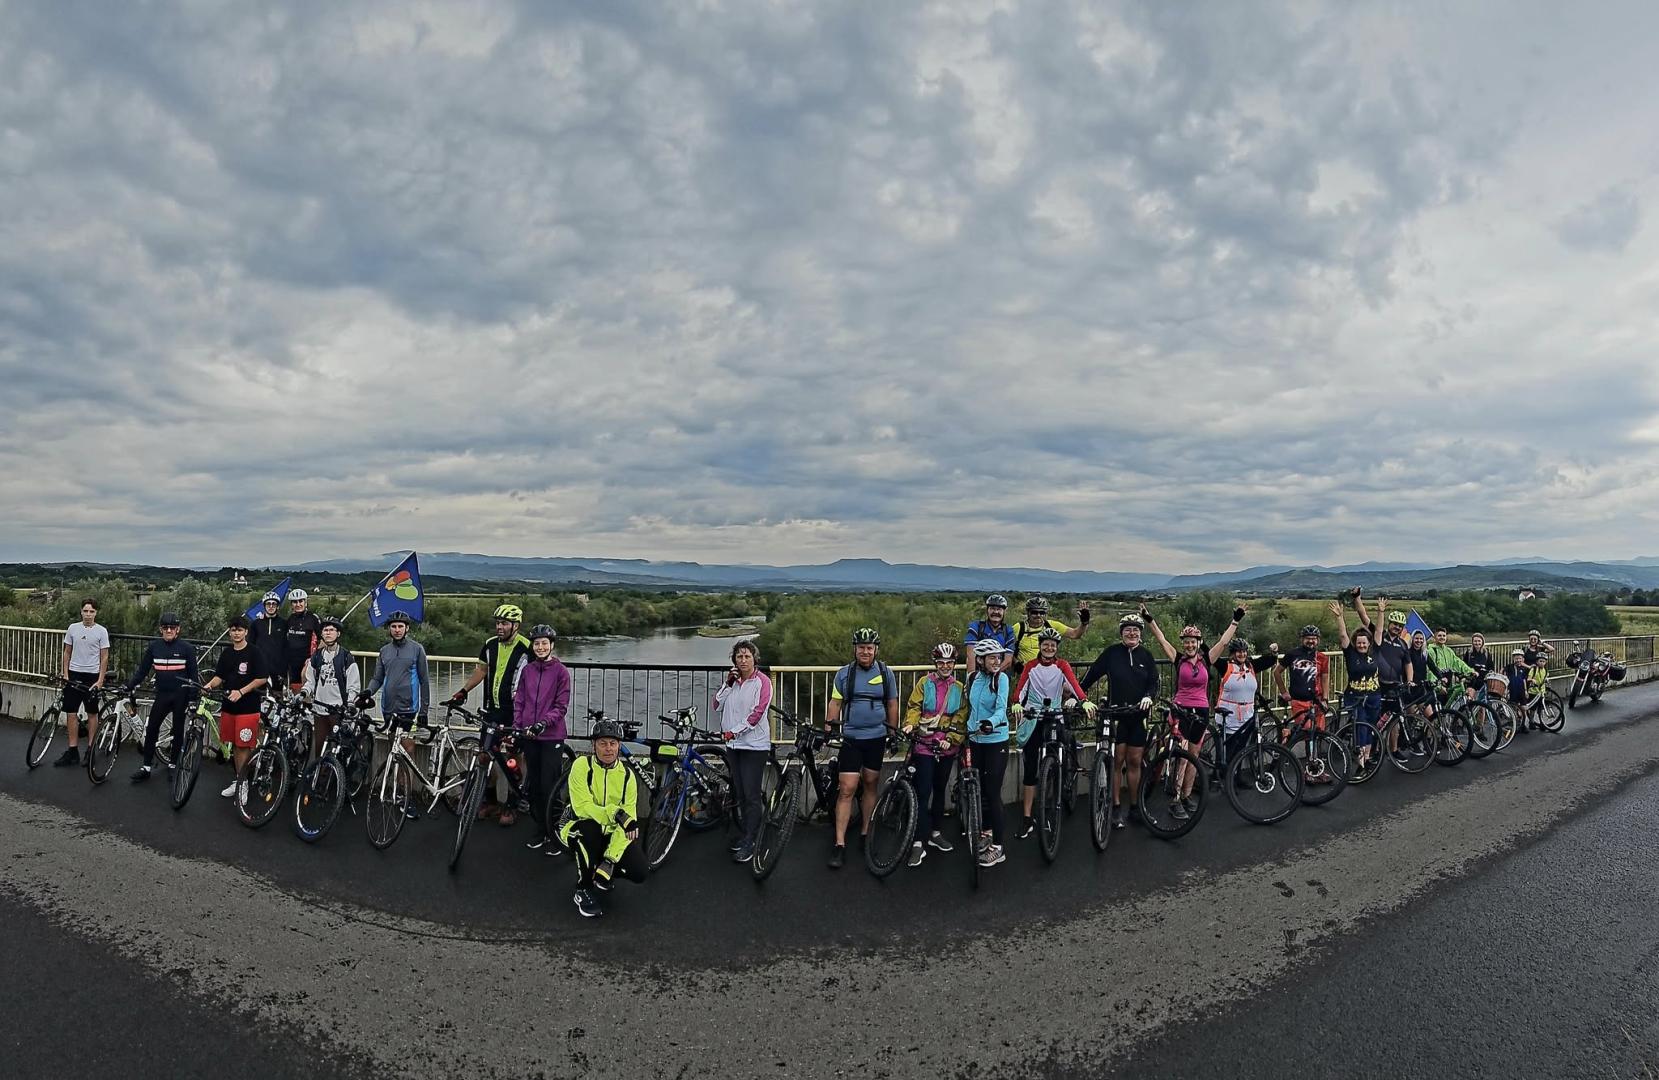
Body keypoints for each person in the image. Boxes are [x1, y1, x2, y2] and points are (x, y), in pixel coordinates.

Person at [1143, 604, 1245, 816]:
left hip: (1200, 711)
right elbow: (1162, 640)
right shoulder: (1178, 659)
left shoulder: (1207, 660)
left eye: (1193, 642)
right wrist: (1149, 620)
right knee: (1181, 754)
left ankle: (1187, 795)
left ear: (1199, 644)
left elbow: (1224, 642)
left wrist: (1235, 620)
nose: (1189, 645)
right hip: (1181, 709)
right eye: (1186, 642)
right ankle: (1175, 799)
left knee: (1194, 756)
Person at [824, 628, 899, 869]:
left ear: (876, 649)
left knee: (869, 783)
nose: (865, 651)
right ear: (854, 649)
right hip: (852, 737)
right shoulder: (844, 674)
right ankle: (839, 844)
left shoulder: (886, 673)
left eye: (869, 648)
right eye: (861, 647)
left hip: (876, 737)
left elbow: (892, 703)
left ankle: (866, 833)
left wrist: (893, 733)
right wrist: (829, 729)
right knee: (846, 788)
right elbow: (835, 702)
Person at [447, 603, 531, 819]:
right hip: (492, 711)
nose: (499, 627)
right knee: (485, 756)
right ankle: (491, 800)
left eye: (504, 623)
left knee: (514, 758)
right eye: (497, 623)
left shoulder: (527, 648)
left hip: (515, 714)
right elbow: (481, 670)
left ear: (516, 625)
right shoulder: (489, 645)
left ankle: (512, 804)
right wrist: (463, 691)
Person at [1011, 627, 1095, 838]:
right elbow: (1020, 689)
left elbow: (1074, 685)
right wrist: (1016, 704)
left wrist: (1083, 701)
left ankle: (1066, 780)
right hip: (1034, 718)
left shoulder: (1062, 665)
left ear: (1056, 648)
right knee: (1030, 769)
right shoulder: (1030, 666)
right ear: (1040, 646)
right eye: (1045, 644)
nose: (1049, 648)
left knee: (1063, 748)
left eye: (1053, 645)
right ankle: (1027, 818)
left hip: (1054, 716)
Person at [1078, 613, 1161, 829]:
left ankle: (1134, 807)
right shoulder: (1112, 653)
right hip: (1116, 715)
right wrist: (1078, 696)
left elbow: (1154, 683)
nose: (1131, 633)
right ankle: (1115, 808)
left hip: (1138, 715)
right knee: (1117, 762)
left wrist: (1148, 697)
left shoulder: (1146, 656)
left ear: (1140, 634)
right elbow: (1091, 675)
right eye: (1127, 630)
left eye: (1135, 630)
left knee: (1135, 762)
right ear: (1121, 634)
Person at [560, 718, 645, 918]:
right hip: (576, 825)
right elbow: (582, 808)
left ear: (619, 746)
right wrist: (615, 813)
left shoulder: (627, 776)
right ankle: (583, 888)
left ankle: (601, 869)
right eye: (602, 743)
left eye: (613, 743)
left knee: (640, 871)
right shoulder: (582, 766)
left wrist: (610, 859)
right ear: (593, 745)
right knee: (589, 830)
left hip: (609, 833)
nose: (608, 749)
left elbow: (628, 820)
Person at [902, 643, 968, 866]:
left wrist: (950, 739)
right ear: (935, 664)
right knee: (923, 791)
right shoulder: (924, 683)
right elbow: (914, 706)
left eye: (949, 663)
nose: (946, 666)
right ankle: (918, 842)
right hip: (924, 745)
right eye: (941, 663)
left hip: (947, 746)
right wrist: (910, 724)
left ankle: (936, 833)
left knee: (940, 790)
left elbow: (961, 716)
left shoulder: (959, 688)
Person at [123, 611, 200, 784]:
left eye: (172, 627)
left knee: (178, 730)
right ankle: (146, 767)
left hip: (181, 695)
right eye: (166, 627)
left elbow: (194, 676)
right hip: (163, 694)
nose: (169, 630)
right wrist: (129, 685)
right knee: (152, 729)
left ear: (178, 629)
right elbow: (142, 671)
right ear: (161, 629)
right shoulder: (154, 647)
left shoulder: (186, 648)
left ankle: (173, 765)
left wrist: (193, 699)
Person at [513, 624, 571, 843]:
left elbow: (561, 705)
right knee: (535, 784)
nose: (540, 647)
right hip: (529, 735)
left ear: (552, 645)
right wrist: (518, 726)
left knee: (550, 785)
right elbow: (519, 700)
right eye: (536, 643)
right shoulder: (528, 670)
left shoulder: (561, 672)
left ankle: (555, 831)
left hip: (551, 736)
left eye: (544, 643)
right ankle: (540, 828)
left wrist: (544, 723)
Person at [714, 639, 771, 864]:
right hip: (733, 747)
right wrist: (728, 684)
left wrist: (733, 732)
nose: (743, 660)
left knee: (751, 795)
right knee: (739, 792)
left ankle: (752, 840)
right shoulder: (734, 683)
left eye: (747, 656)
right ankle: (746, 832)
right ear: (734, 661)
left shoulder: (763, 682)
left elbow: (757, 714)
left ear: (754, 659)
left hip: (754, 746)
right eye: (739, 657)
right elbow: (716, 706)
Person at [202, 615, 268, 799]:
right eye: (233, 630)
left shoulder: (255, 652)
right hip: (229, 706)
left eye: (240, 630)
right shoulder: (227, 653)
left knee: (242, 746)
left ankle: (243, 783)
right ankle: (239, 779)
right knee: (232, 745)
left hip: (248, 707)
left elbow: (262, 677)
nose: (236, 633)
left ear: (246, 632)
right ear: (229, 633)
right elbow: (219, 677)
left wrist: (242, 691)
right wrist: (209, 685)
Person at [965, 638, 1013, 867]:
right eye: (992, 657)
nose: (997, 661)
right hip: (975, 739)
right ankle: (985, 831)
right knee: (980, 789)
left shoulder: (1001, 679)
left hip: (995, 740)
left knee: (993, 792)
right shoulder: (973, 678)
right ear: (981, 660)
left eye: (999, 657)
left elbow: (1001, 708)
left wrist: (990, 723)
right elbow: (969, 708)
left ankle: (999, 846)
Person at [359, 611, 431, 753]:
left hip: (409, 708)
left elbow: (424, 681)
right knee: (393, 748)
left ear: (407, 628)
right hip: (389, 707)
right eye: (394, 626)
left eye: (400, 626)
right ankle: (395, 775)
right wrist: (368, 691)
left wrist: (424, 711)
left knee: (407, 749)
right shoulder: (384, 651)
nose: (397, 630)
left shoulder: (417, 649)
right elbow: (378, 678)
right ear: (389, 629)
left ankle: (405, 776)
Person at [52, 598, 110, 767]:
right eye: (85, 611)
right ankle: (72, 751)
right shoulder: (73, 628)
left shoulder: (102, 631)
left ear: (96, 613)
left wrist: (100, 680)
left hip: (92, 676)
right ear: (81, 612)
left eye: (91, 611)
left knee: (92, 713)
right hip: (74, 674)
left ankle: (90, 750)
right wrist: (65, 673)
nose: (88, 614)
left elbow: (104, 656)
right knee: (71, 712)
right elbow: (67, 652)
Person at [1214, 637, 1278, 781]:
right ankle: (1223, 778)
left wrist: (1274, 653)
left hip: (1246, 715)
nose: (1241, 654)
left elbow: (1267, 661)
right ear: (1232, 653)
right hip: (1228, 715)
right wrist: (1202, 644)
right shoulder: (1226, 666)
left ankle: (1237, 777)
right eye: (1238, 652)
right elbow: (1211, 658)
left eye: (1243, 652)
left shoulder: (1251, 666)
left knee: (1241, 749)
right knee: (1228, 750)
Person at [1273, 623, 1331, 781]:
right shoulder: (1293, 654)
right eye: (1308, 638)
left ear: (1318, 640)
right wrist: (1284, 692)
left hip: (1317, 701)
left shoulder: (1322, 657)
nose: (1311, 641)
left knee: (1317, 735)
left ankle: (1317, 770)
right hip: (1299, 701)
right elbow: (1277, 672)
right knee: (1307, 735)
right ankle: (1308, 770)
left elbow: (1325, 678)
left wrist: (1325, 698)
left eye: (1313, 639)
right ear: (1302, 639)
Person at [303, 616, 360, 763]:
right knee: (320, 749)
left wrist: (350, 703)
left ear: (338, 634)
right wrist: (304, 692)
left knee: (338, 749)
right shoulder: (316, 657)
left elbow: (353, 685)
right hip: (320, 709)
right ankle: (318, 780)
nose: (328, 633)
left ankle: (340, 780)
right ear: (321, 634)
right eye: (325, 630)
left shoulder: (346, 657)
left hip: (338, 710)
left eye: (332, 630)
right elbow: (310, 681)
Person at [1331, 603, 1380, 769]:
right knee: (1360, 725)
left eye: (1364, 643)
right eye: (1359, 643)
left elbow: (1378, 631)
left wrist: (1380, 612)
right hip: (1354, 696)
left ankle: (1367, 757)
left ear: (1369, 643)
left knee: (1371, 726)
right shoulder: (1350, 653)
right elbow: (1343, 635)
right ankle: (1360, 761)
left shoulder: (1375, 652)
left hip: (1374, 695)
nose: (1361, 645)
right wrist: (1339, 617)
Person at [1007, 595, 1089, 678]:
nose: (1038, 615)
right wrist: (1016, 663)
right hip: (1024, 674)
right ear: (1028, 613)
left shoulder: (1052, 625)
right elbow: (1008, 649)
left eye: (1042, 612)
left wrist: (1084, 623)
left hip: (1048, 674)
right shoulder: (1018, 628)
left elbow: (1075, 634)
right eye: (1034, 612)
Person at [963, 595, 1016, 676]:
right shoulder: (976, 626)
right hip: (978, 675)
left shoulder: (1008, 630)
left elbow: (1008, 660)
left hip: (999, 677)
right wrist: (972, 679)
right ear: (987, 610)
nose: (996, 612)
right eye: (992, 609)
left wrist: (992, 675)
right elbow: (971, 655)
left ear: (1005, 611)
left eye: (999, 609)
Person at [282, 588, 322, 692]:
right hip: (292, 661)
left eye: (301, 601)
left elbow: (322, 640)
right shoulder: (290, 619)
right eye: (295, 602)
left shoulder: (313, 619)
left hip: (307, 661)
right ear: (291, 604)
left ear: (305, 602)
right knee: (294, 690)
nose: (298, 604)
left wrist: (314, 657)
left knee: (306, 691)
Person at [249, 592, 288, 696]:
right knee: (257, 696)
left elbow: (286, 647)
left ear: (278, 606)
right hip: (259, 667)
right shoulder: (256, 624)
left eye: (274, 604)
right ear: (264, 606)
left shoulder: (284, 624)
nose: (271, 606)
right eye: (268, 604)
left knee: (277, 699)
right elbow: (250, 645)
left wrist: (284, 668)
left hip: (278, 668)